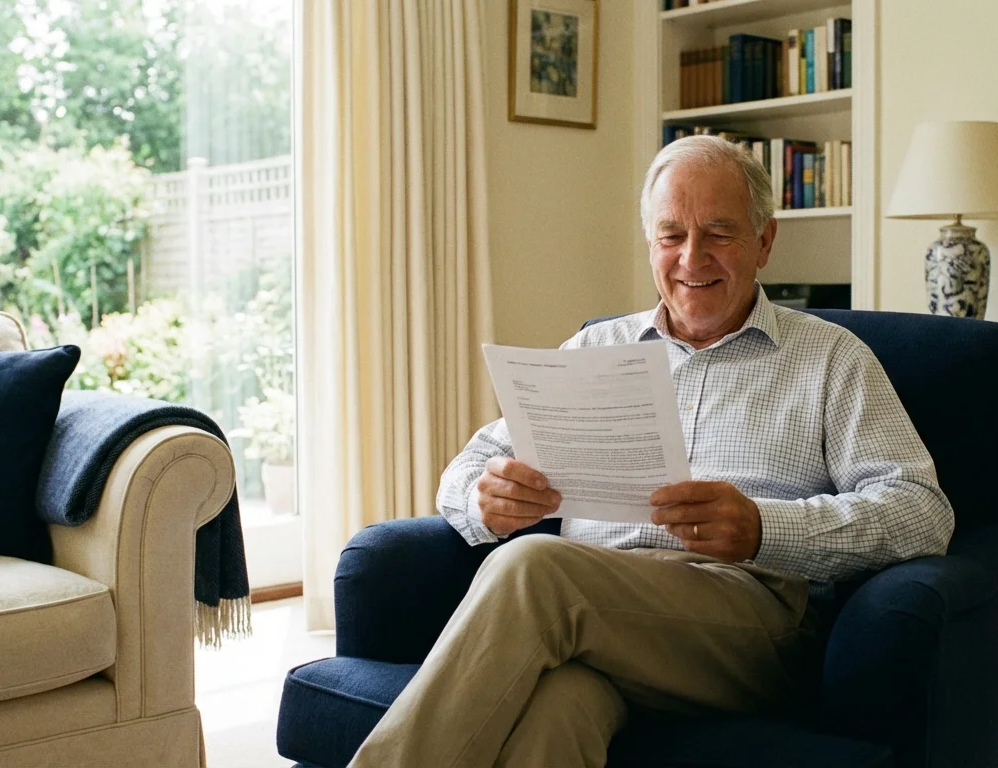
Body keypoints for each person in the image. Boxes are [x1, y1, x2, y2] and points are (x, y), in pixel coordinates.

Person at [348, 135, 955, 768]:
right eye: (671, 236)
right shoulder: (594, 348)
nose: (692, 257)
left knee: (533, 568)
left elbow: (920, 511)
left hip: (750, 624)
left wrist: (761, 527)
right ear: (650, 245)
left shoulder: (832, 358)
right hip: (598, 623)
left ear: (765, 241)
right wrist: (484, 497)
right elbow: (469, 466)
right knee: (558, 711)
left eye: (719, 233)